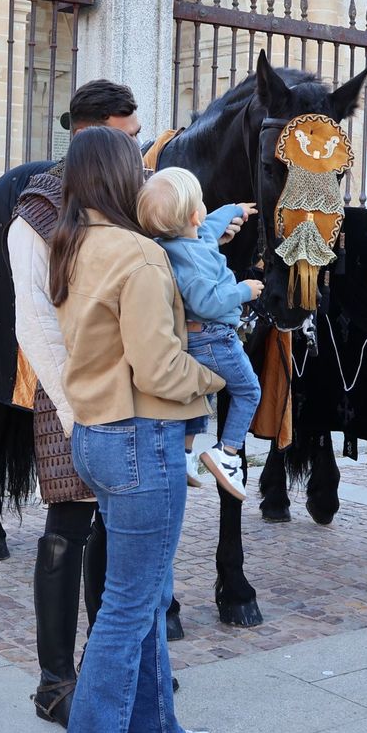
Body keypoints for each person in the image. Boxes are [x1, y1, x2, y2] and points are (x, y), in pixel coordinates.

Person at [52, 127, 225, 733]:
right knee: (127, 607)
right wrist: (218, 380)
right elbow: (160, 366)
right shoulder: (139, 255)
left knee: (143, 595)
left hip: (97, 436)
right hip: (139, 436)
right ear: (122, 178)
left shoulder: (75, 245)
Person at [4, 80, 147, 727]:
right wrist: (74, 406)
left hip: (126, 390)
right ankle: (55, 683)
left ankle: (104, 671)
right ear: (92, 132)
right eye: (127, 133)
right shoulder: (37, 211)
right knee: (68, 527)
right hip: (69, 392)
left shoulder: (124, 202)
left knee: (117, 533)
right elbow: (33, 323)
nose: (136, 146)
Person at [137, 167, 262, 501]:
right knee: (249, 391)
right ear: (195, 214)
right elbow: (208, 301)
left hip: (195, 338)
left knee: (200, 396)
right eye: (202, 203)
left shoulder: (184, 240)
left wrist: (236, 209)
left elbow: (212, 226)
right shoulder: (194, 263)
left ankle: (186, 455)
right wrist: (244, 291)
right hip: (215, 336)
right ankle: (228, 453)